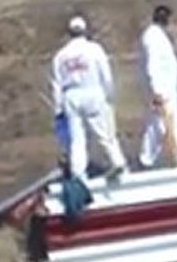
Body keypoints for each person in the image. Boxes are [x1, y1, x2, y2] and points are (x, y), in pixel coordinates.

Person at [50, 16, 127, 182]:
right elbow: (106, 75)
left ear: (69, 33)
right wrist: (109, 95)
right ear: (85, 31)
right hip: (92, 91)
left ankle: (79, 174)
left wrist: (58, 109)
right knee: (104, 133)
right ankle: (117, 162)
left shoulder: (60, 56)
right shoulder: (94, 49)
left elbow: (56, 84)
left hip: (71, 95)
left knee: (77, 139)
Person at [138, 5, 177, 169]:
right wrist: (156, 90)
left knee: (171, 124)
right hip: (160, 90)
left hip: (169, 89)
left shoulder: (160, 36)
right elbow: (153, 65)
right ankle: (146, 159)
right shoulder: (152, 37)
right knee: (160, 126)